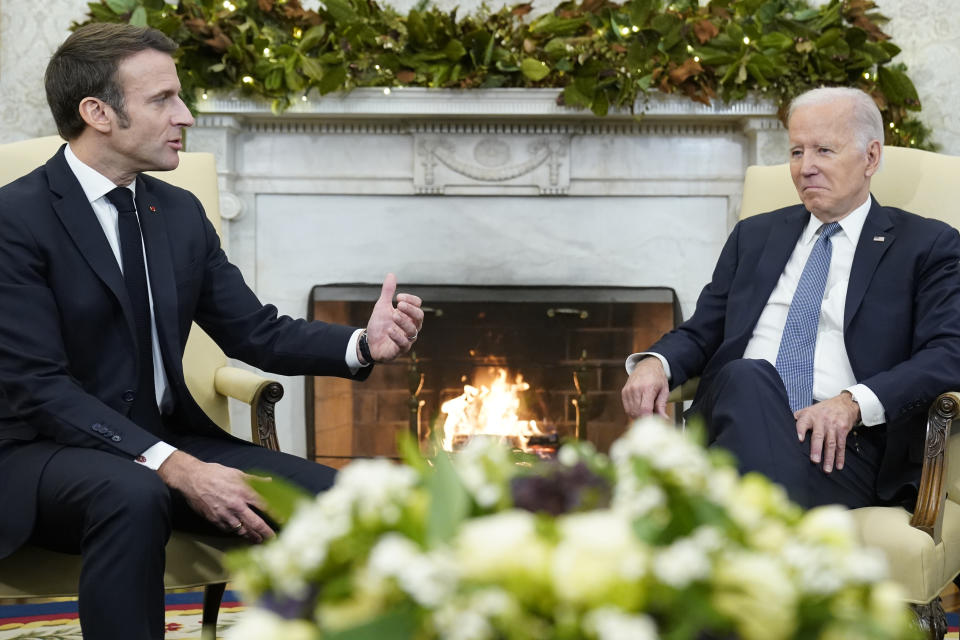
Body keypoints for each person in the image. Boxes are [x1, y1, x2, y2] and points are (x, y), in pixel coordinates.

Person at [0, 23, 423, 639]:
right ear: (98, 113)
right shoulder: (15, 219)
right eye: (162, 99)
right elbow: (38, 387)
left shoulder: (176, 212)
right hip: (41, 456)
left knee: (342, 500)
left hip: (166, 441)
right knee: (131, 494)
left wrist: (361, 344)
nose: (187, 115)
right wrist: (175, 466)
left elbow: (254, 331)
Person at [621, 86, 960, 511]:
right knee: (749, 377)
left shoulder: (925, 244)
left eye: (823, 150)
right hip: (731, 417)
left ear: (871, 157)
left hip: (839, 449)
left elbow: (949, 353)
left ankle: (733, 534)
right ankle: (780, 553)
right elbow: (703, 329)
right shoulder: (756, 235)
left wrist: (853, 402)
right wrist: (656, 362)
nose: (806, 168)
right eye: (796, 152)